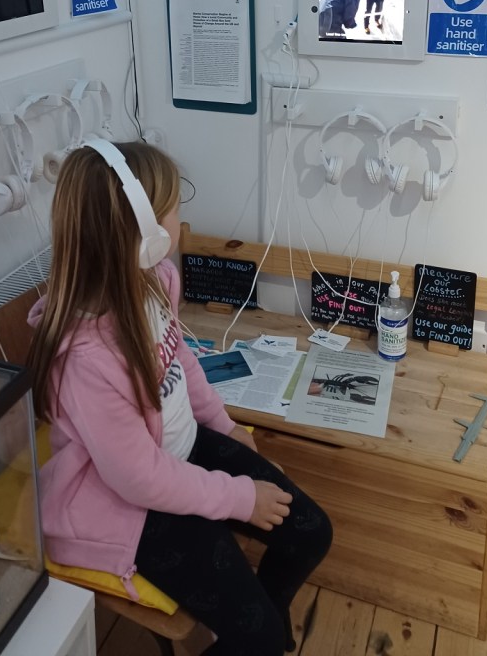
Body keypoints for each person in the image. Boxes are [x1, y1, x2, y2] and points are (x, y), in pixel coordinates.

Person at [27, 141, 332, 656]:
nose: (180, 212)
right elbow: (139, 478)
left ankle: (268, 629)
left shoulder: (155, 281)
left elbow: (179, 359)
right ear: (140, 231)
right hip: (130, 503)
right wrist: (239, 497)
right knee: (253, 638)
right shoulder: (87, 360)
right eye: (171, 203)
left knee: (309, 532)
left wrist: (226, 425)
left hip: (184, 452)